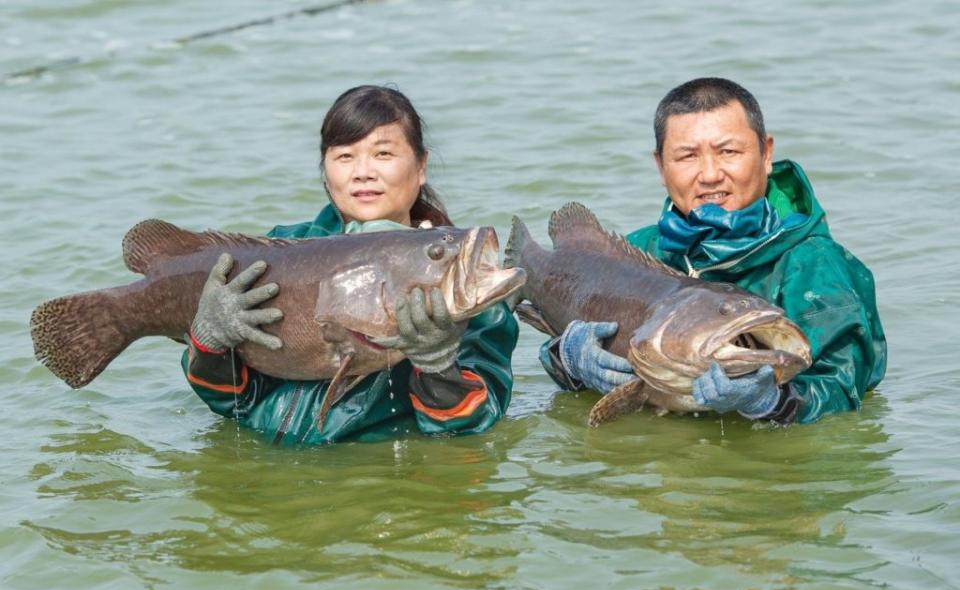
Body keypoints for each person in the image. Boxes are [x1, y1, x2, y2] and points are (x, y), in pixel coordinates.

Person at [182, 85, 519, 445]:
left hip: (377, 479)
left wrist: (438, 365)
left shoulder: (464, 286)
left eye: (383, 153)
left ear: (421, 166)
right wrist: (206, 345)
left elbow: (474, 428)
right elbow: (233, 402)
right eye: (344, 156)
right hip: (265, 470)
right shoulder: (278, 250)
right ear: (325, 170)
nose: (363, 172)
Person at [539, 77, 886, 424]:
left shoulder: (816, 266)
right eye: (688, 156)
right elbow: (570, 345)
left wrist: (770, 401)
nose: (710, 174)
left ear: (766, 154)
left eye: (728, 152)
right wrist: (567, 359)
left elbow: (844, 391)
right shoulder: (637, 250)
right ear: (661, 167)